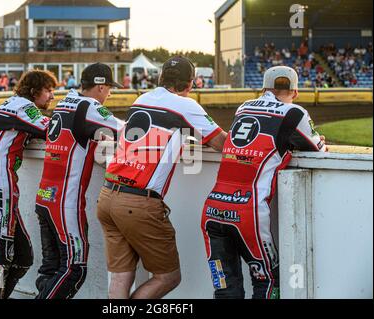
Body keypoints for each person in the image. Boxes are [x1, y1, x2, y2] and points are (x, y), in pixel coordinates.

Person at [96, 56, 227, 299]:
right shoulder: (185, 105)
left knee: (121, 277)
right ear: (189, 85)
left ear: (160, 78)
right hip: (139, 202)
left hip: (107, 196)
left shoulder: (142, 99)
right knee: (168, 277)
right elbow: (222, 143)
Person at [201, 66, 327, 299]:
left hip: (213, 209)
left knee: (225, 288)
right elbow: (316, 148)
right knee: (269, 281)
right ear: (295, 92)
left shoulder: (243, 107)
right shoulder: (294, 112)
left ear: (263, 89)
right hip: (248, 212)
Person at [34, 63, 124, 299]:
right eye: (109, 88)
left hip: (45, 197)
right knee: (74, 269)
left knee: (50, 269)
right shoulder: (89, 105)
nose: (110, 94)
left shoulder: (65, 101)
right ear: (101, 87)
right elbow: (128, 131)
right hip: (65, 202)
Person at [0, 70, 56, 299]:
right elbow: (53, 131)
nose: (52, 97)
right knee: (1, 250)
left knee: (22, 256)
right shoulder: (23, 106)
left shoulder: (9, 105)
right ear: (33, 91)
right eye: (49, 90)